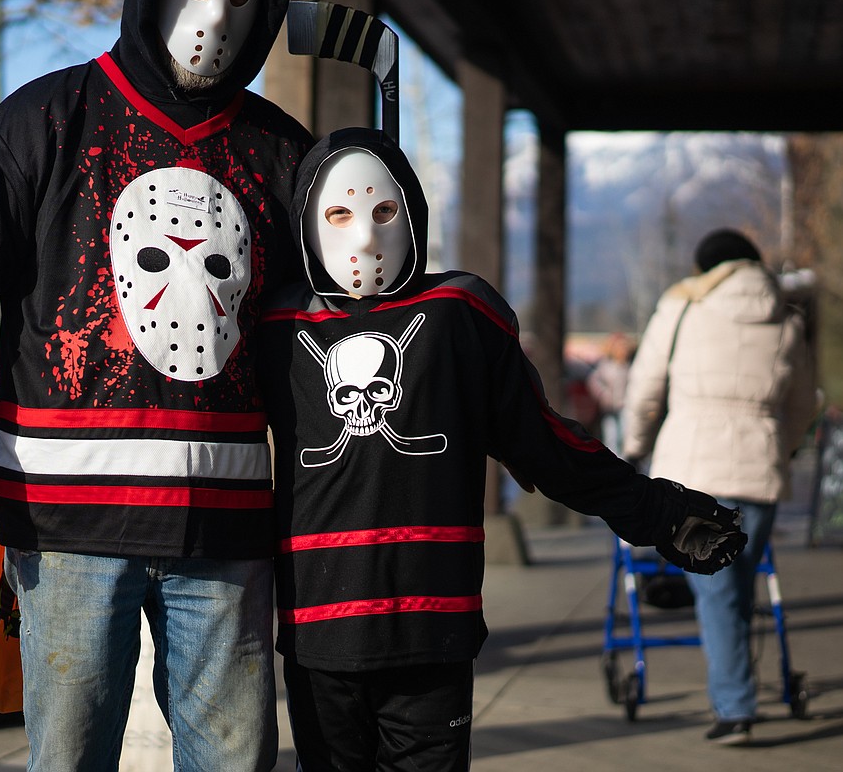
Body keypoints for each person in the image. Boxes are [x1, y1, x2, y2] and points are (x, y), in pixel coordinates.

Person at [0, 0, 314, 772]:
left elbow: (318, 348)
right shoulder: (40, 122)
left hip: (227, 531)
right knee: (69, 758)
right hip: (67, 526)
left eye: (242, 0)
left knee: (236, 764)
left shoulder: (282, 153)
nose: (215, 16)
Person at [256, 128, 746, 771]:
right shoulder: (275, 325)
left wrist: (660, 513)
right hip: (318, 631)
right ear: (307, 225)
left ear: (412, 211)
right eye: (339, 214)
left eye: (384, 211)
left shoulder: (460, 313)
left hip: (433, 626)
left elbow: (543, 442)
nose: (365, 238)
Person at [623, 227, 818, 746]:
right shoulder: (788, 320)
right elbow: (802, 406)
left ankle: (735, 709)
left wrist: (633, 446)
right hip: (760, 470)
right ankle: (738, 691)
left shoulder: (683, 307)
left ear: (706, 269)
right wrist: (781, 446)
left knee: (715, 593)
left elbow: (645, 389)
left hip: (695, 469)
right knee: (734, 586)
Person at [587, 331, 634, 453]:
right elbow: (594, 381)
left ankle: (625, 460)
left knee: (624, 435)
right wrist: (602, 395)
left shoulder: (629, 367)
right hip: (609, 407)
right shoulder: (605, 366)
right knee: (611, 436)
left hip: (625, 406)